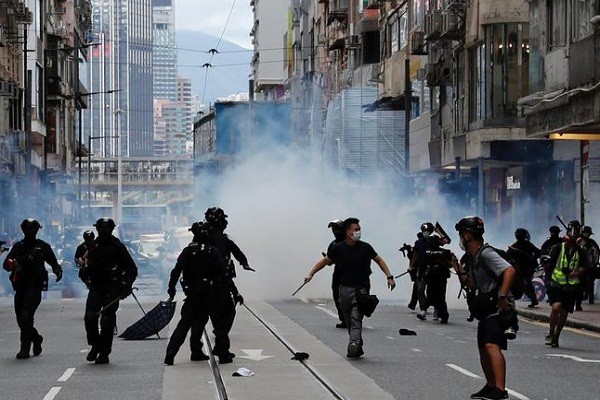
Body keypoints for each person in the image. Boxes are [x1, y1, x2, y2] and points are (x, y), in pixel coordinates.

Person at [305, 218, 396, 359]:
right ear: (347, 232)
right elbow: (325, 262)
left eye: (359, 229)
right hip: (344, 289)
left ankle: (353, 343)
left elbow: (378, 259)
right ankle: (357, 343)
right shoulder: (337, 248)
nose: (358, 232)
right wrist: (311, 273)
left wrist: (389, 276)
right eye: (355, 229)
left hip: (362, 289)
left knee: (356, 317)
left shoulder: (366, 247)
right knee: (348, 318)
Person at [451, 216, 516, 400]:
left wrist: (503, 296)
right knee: (483, 348)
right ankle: (491, 385)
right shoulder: (473, 258)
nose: (460, 239)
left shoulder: (486, 253)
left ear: (468, 235)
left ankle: (500, 389)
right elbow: (470, 285)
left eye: (461, 235)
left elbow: (509, 270)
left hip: (498, 307)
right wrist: (457, 267)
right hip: (485, 308)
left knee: (491, 345)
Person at [164, 221, 231, 365]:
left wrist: (171, 288)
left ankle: (171, 353)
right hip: (211, 294)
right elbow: (223, 273)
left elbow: (176, 271)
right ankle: (224, 355)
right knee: (219, 326)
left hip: (193, 294)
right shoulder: (212, 251)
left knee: (184, 324)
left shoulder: (188, 251)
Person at [188, 207, 247, 361]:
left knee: (200, 318)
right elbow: (234, 252)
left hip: (200, 285)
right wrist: (243, 264)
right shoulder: (221, 238)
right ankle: (221, 350)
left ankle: (196, 350)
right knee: (226, 315)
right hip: (219, 284)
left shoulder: (201, 235)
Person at [80, 218, 137, 364]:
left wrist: (125, 285)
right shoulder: (93, 247)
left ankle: (104, 352)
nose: (103, 231)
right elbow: (85, 267)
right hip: (96, 288)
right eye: (101, 228)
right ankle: (96, 345)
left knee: (107, 321)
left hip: (112, 288)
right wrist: (85, 272)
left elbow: (132, 269)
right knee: (90, 317)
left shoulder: (118, 247)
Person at [2, 219, 62, 359]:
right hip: (20, 287)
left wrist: (58, 271)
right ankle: (36, 338)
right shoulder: (18, 246)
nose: (30, 232)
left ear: (36, 230)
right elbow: (6, 265)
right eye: (27, 229)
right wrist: (13, 265)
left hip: (35, 287)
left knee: (26, 316)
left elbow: (53, 263)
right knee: (20, 320)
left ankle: (24, 349)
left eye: (32, 229)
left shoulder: (42, 246)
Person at [544, 220, 588, 348]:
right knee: (556, 307)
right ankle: (551, 333)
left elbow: (584, 266)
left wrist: (577, 272)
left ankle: (556, 336)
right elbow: (548, 263)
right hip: (557, 282)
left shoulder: (581, 251)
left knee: (564, 312)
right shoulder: (557, 248)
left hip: (571, 286)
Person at [508, 228, 542, 308]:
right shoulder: (516, 246)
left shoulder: (521, 245)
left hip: (526, 268)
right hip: (522, 268)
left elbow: (539, 252)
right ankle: (533, 299)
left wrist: (532, 258)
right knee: (525, 285)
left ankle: (534, 300)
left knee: (526, 284)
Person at [422, 234, 451, 324]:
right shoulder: (431, 252)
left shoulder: (443, 252)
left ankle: (442, 315)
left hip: (440, 277)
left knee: (438, 297)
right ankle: (439, 314)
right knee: (433, 296)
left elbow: (449, 264)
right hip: (432, 277)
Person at [410, 222, 434, 321]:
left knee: (433, 291)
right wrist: (411, 266)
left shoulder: (435, 241)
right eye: (424, 231)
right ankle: (423, 309)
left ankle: (436, 309)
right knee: (420, 289)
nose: (426, 233)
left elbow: (446, 241)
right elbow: (415, 254)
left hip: (434, 269)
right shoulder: (418, 243)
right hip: (421, 269)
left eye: (428, 231)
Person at [327, 219, 347, 328]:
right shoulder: (333, 244)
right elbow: (329, 262)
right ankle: (344, 319)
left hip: (354, 273)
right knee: (337, 295)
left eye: (337, 228)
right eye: (333, 229)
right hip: (339, 274)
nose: (335, 231)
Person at [576, 225, 599, 308]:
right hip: (580, 266)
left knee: (590, 283)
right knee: (580, 285)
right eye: (586, 233)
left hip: (591, 266)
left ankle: (591, 299)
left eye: (588, 233)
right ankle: (578, 303)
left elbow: (596, 252)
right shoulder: (578, 241)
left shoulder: (592, 242)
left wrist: (595, 263)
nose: (587, 234)